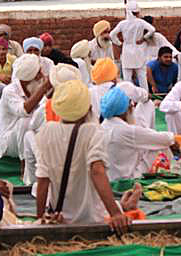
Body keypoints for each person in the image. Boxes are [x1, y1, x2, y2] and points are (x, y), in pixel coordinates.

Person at [35, 80, 129, 232]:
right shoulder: (93, 131)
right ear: (88, 108)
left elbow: (43, 179)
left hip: (59, 217)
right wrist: (116, 214)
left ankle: (124, 204)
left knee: (121, 204)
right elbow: (97, 171)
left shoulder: (46, 131)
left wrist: (41, 219)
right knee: (119, 207)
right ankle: (123, 206)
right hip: (92, 219)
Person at [101, 86, 176, 181]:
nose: (132, 106)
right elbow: (165, 139)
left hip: (110, 177)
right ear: (124, 109)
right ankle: (176, 171)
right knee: (161, 147)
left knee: (149, 145)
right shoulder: (126, 130)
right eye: (129, 104)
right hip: (129, 178)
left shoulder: (103, 125)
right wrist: (174, 139)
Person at [0, 54, 51, 161]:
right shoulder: (9, 91)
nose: (41, 76)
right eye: (38, 73)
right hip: (6, 141)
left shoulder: (36, 85)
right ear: (29, 78)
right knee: (25, 122)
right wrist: (43, 88)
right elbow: (23, 111)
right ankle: (24, 164)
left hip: (27, 135)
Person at [110, 0, 155, 88]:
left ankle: (129, 98)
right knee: (142, 76)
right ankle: (145, 96)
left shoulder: (122, 24)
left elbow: (112, 35)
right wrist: (144, 38)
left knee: (127, 78)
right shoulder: (140, 22)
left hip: (126, 50)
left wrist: (119, 43)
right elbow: (152, 29)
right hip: (138, 50)